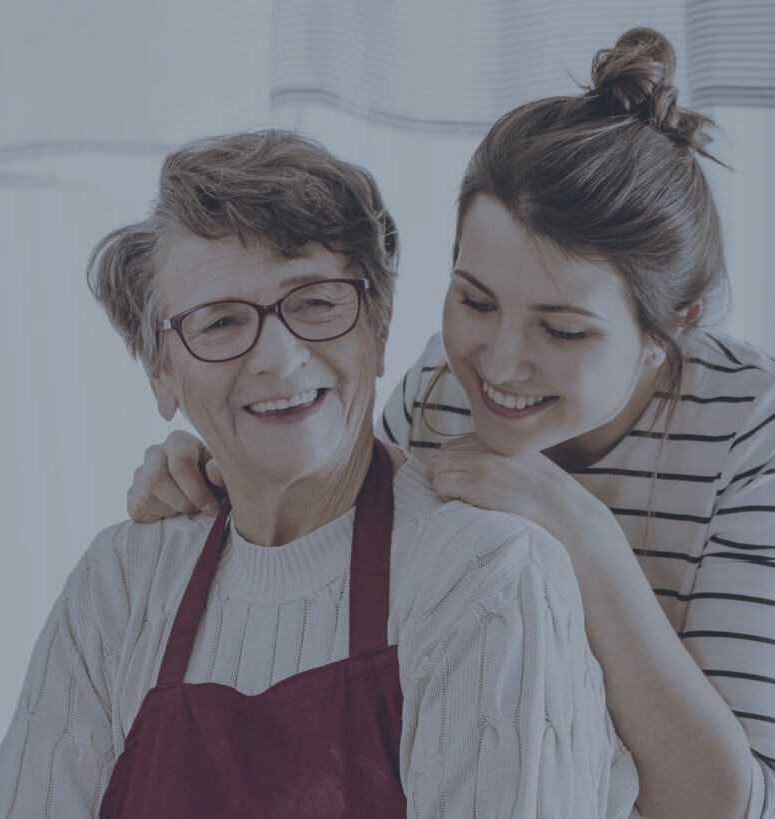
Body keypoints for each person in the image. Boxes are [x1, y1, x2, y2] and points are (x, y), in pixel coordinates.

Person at [122, 27, 775, 819]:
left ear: (675, 324)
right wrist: (221, 466)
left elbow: (728, 803)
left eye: (561, 330)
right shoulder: (440, 385)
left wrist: (577, 527)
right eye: (474, 300)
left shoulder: (751, 434)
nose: (498, 363)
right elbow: (341, 541)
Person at [0, 128, 638, 818]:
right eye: (221, 322)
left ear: (379, 327)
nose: (281, 357)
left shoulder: (487, 577)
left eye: (317, 302)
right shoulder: (117, 586)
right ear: (161, 372)